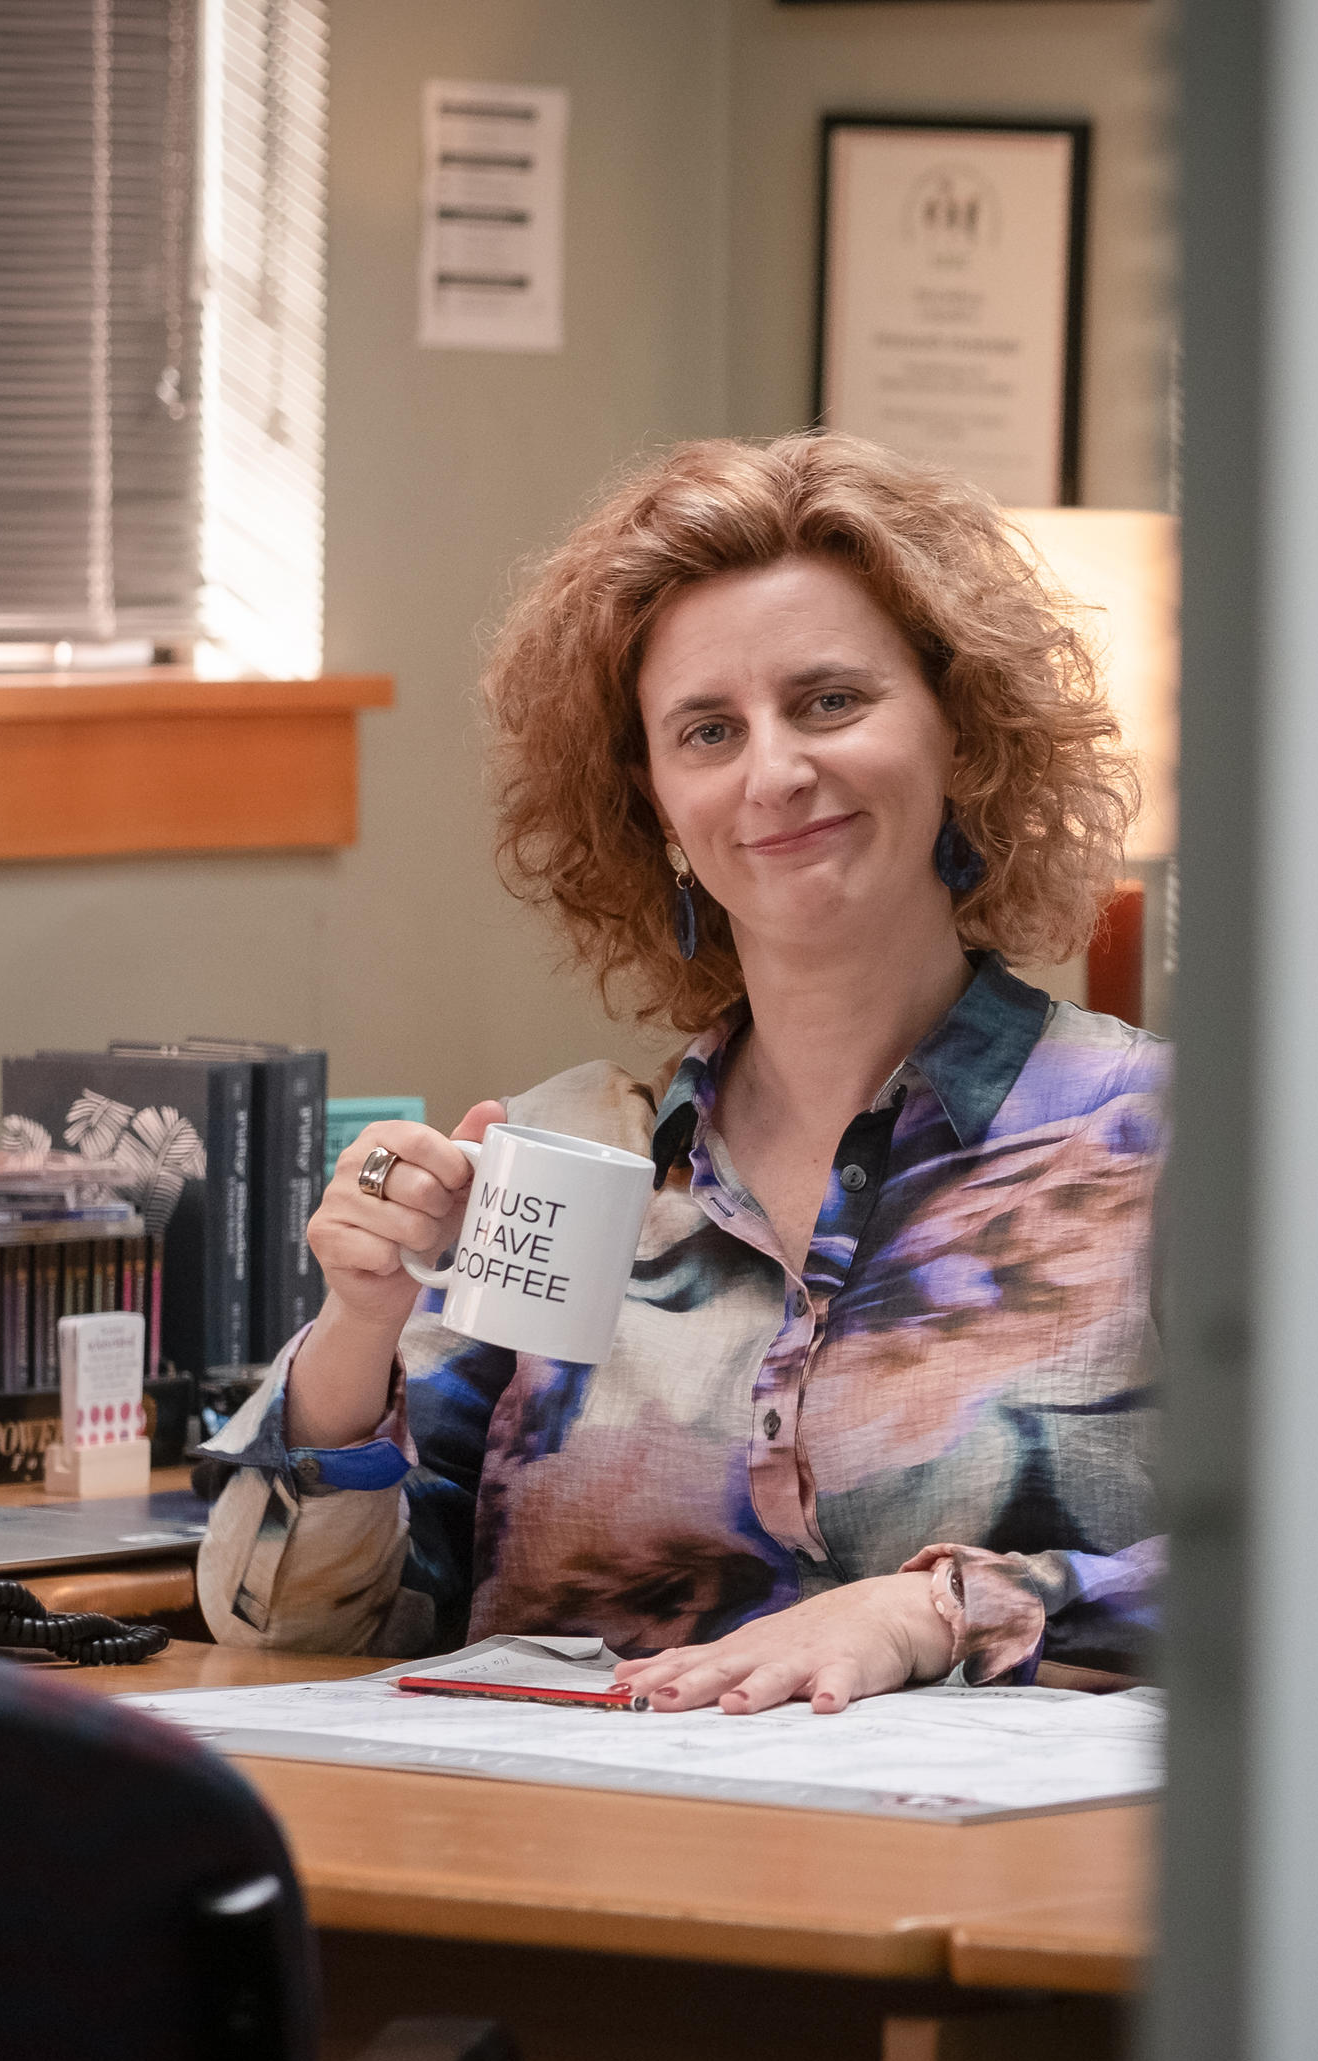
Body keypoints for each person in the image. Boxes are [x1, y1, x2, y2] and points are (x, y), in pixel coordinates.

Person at [193, 433, 1163, 1715]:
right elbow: (293, 1631)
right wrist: (357, 1326)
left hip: (977, 1891)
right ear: (653, 804)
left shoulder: (1169, 1145)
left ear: (960, 732)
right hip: (574, 1877)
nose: (774, 772)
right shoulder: (569, 1164)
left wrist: (938, 1609)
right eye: (706, 731)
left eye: (830, 701)